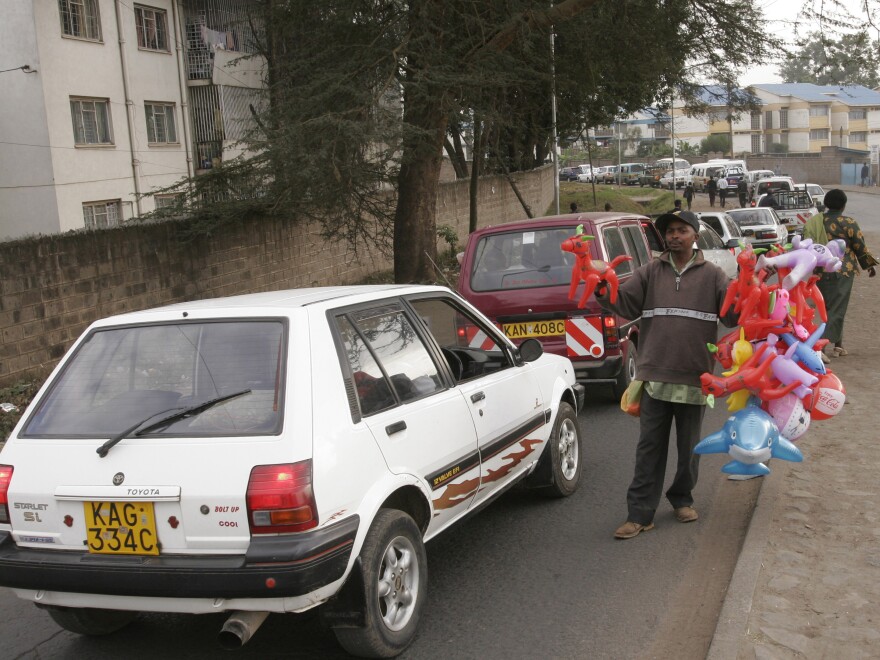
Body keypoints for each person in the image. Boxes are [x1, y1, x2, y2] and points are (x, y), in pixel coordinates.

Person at [595, 210, 738, 540]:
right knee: (649, 449)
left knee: (689, 448)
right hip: (654, 377)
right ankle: (640, 514)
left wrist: (748, 290)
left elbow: (731, 316)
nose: (674, 236)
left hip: (695, 377)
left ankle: (682, 498)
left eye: (681, 230)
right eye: (669, 231)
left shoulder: (714, 276)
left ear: (694, 236)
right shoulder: (649, 273)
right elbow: (625, 304)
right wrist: (602, 288)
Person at [803, 189, 877, 358]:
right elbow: (860, 246)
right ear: (844, 206)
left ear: (826, 204)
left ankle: (839, 345)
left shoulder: (817, 221)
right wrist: (869, 266)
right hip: (842, 272)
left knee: (829, 307)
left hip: (821, 270)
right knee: (837, 309)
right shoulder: (849, 222)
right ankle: (820, 348)